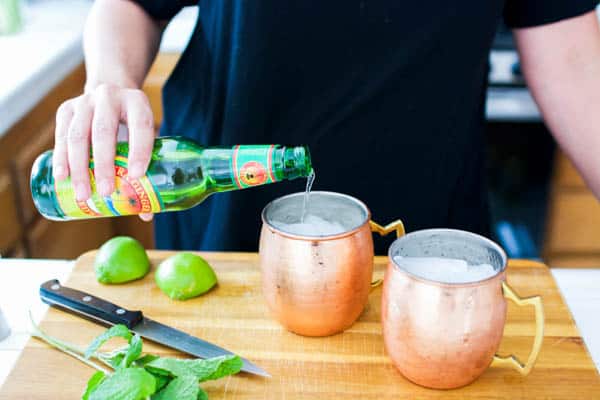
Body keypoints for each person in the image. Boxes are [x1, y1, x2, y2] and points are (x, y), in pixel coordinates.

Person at [53, 0, 600, 253]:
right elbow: (133, 3)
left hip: (425, 244)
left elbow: (573, 56)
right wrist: (108, 78)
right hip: (225, 238)